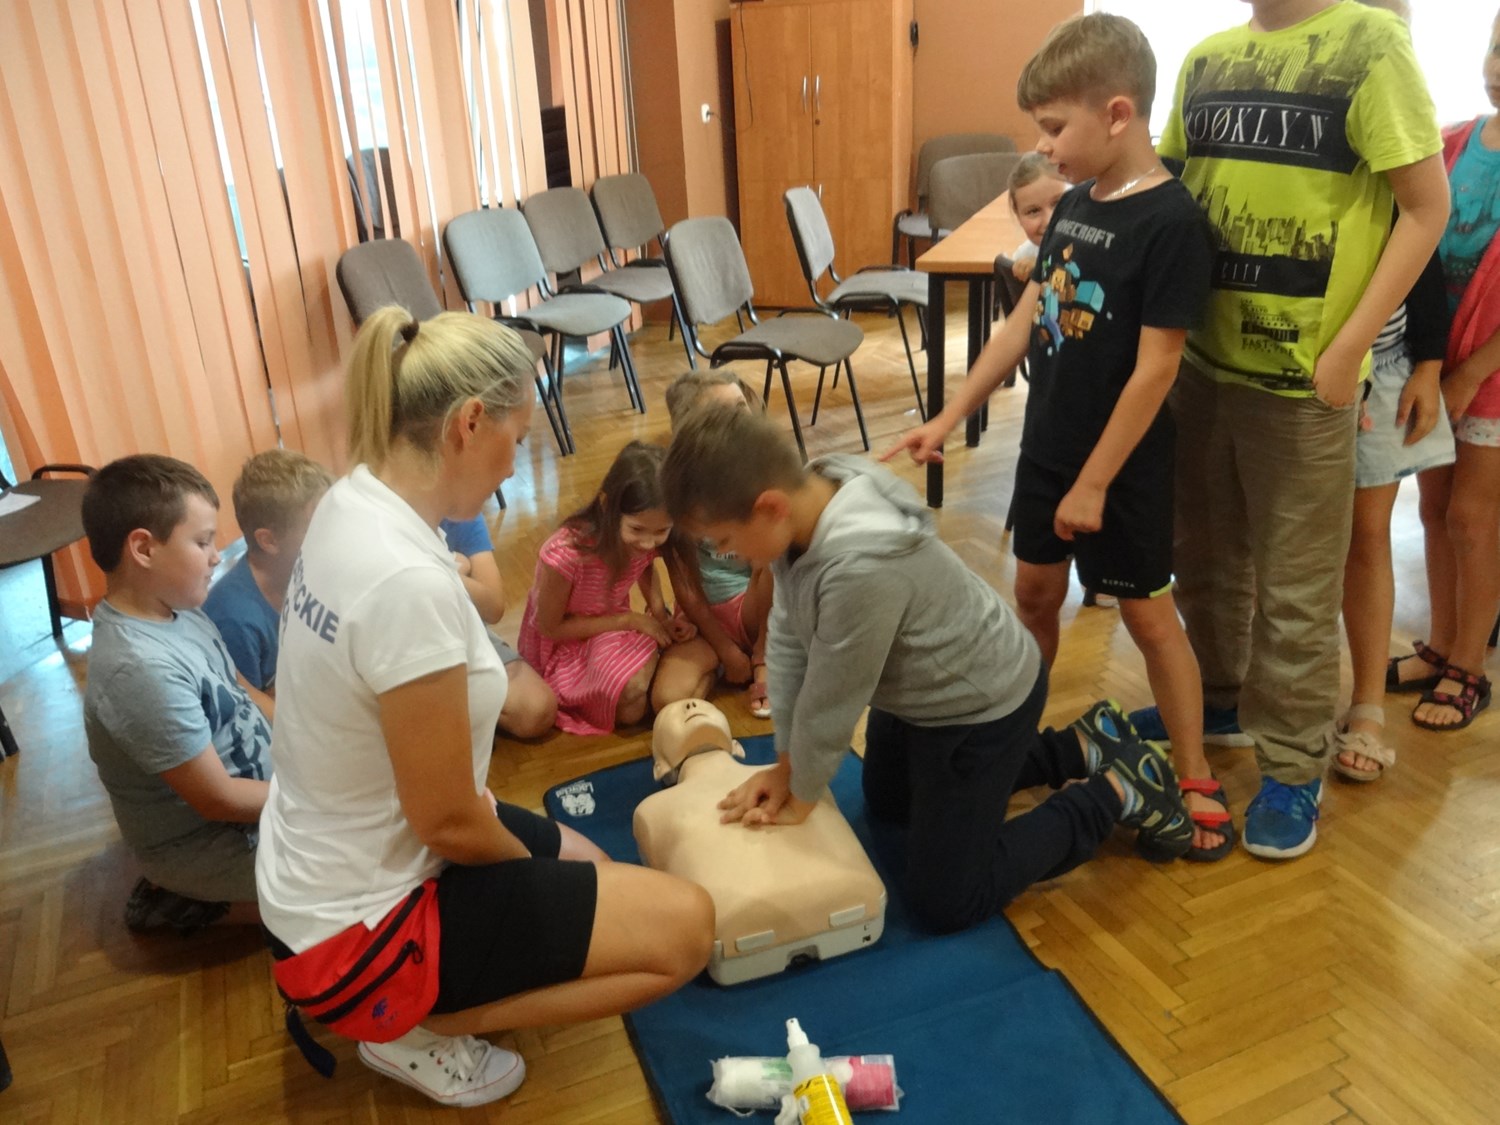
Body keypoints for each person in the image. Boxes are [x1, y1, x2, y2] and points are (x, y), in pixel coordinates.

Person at [256, 308, 713, 1109]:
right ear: (470, 422)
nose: (514, 461)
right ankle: (407, 1025)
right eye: (517, 435)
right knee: (686, 929)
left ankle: (424, 998)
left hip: (328, 868)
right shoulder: (405, 582)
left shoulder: (352, 499)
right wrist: (523, 876)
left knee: (597, 868)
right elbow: (446, 823)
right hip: (357, 935)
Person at [887, 13, 1231, 862]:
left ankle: (1194, 774)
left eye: (1053, 127)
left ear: (1117, 114)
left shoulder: (1172, 223)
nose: (1043, 147)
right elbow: (1020, 326)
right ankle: (1013, 743)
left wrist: (1096, 482)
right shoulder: (1073, 205)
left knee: (1149, 617)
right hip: (1047, 452)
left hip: (1123, 469)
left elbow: (1156, 369)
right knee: (1034, 600)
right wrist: (948, 415)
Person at [662, 406, 1194, 935]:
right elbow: (787, 637)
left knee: (946, 900)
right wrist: (787, 763)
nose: (726, 556)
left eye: (723, 542)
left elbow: (832, 698)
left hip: (980, 706)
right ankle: (1079, 745)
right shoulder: (806, 499)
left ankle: (1118, 791)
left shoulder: (860, 569)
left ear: (770, 506)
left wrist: (799, 791)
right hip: (924, 695)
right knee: (890, 805)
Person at [1147, 0, 1448, 858]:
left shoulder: (1372, 41)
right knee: (1205, 557)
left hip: (1303, 381)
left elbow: (1425, 208)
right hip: (1200, 363)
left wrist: (1348, 347)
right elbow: (1169, 192)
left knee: (1297, 587)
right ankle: (1219, 698)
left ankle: (1290, 764)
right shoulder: (1205, 58)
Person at [1332, 0, 1455, 779]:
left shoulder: (1405, 127)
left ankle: (1367, 706)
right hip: (1289, 371)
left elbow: (1426, 253)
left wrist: (1429, 365)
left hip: (1380, 371)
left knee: (1366, 533)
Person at [81, 454, 274, 933]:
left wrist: (310, 736)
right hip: (211, 842)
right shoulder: (137, 669)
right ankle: (182, 901)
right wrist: (320, 797)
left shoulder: (180, 606)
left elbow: (241, 688)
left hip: (261, 793)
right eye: (203, 541)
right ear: (144, 549)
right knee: (362, 878)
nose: (216, 555)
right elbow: (220, 800)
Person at [1391, 10, 1500, 734]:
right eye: (1497, 48)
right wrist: (1433, 366)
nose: (1499, 67)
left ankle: (1469, 664)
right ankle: (1440, 643)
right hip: (1436, 363)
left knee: (1472, 517)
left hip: (1491, 374)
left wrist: (1470, 374)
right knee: (1433, 508)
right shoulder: (1453, 142)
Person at [517, 440, 720, 734]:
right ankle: (669, 674)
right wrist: (630, 621)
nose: (648, 543)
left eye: (661, 531)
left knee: (635, 700)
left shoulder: (643, 536)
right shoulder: (565, 555)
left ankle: (668, 676)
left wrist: (660, 616)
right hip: (565, 643)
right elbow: (550, 627)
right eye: (637, 529)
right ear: (607, 506)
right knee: (631, 702)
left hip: (610, 631)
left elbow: (645, 566)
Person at [1005, 152, 1118, 612]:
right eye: (1032, 211)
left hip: (1101, 416)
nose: (1049, 218)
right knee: (1033, 592)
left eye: (1058, 202)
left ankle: (1104, 577)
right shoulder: (1037, 252)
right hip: (1051, 419)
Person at [664, 370, 775, 718]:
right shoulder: (676, 487)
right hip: (703, 620)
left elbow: (769, 571)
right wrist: (725, 649)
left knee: (775, 558)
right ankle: (721, 667)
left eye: (741, 406)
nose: (740, 420)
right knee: (668, 699)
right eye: (725, 413)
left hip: (757, 612)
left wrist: (761, 651)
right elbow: (686, 589)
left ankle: (765, 660)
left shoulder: (763, 472)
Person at [203, 449, 332, 694]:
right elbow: (250, 709)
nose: (332, 534)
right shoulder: (234, 621)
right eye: (316, 525)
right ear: (269, 541)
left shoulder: (310, 574)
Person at [440, 513, 558, 738]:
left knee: (537, 709)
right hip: (411, 644)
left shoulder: (463, 514)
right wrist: (456, 566)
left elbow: (494, 607)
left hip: (467, 631)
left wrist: (446, 572)